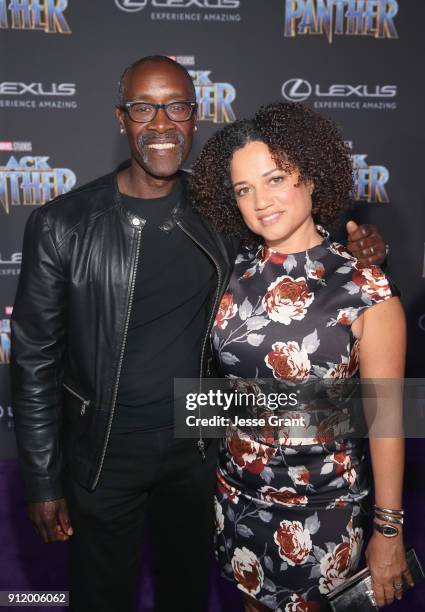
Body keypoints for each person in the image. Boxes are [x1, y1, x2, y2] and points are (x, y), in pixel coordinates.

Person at [11, 55, 384, 612]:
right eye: (143, 107)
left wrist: (356, 248)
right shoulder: (63, 223)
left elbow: (292, 242)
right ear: (121, 118)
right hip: (105, 452)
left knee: (187, 592)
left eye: (177, 106)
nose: (161, 123)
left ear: (194, 115)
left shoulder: (220, 212)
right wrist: (42, 480)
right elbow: (34, 360)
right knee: (101, 596)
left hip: (202, 450)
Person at [189, 102, 413, 611]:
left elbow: (387, 419)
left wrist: (389, 528)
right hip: (237, 497)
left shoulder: (365, 286)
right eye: (244, 189)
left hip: (324, 509)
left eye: (275, 179)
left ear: (311, 179)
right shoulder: (231, 271)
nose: (260, 201)